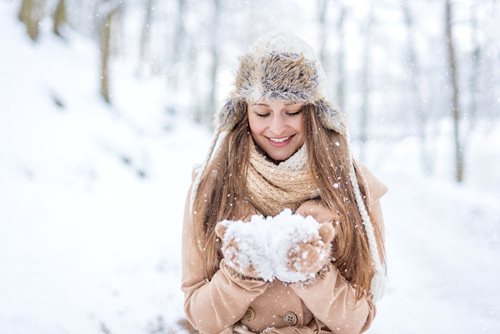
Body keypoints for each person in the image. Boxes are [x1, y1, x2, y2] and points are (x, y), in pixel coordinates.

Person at [181, 32, 388, 334]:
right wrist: (239, 276)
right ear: (242, 113)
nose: (276, 127)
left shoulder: (353, 188)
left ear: (316, 114)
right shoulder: (210, 186)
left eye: (292, 111)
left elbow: (357, 321)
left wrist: (313, 273)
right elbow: (200, 318)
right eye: (262, 112)